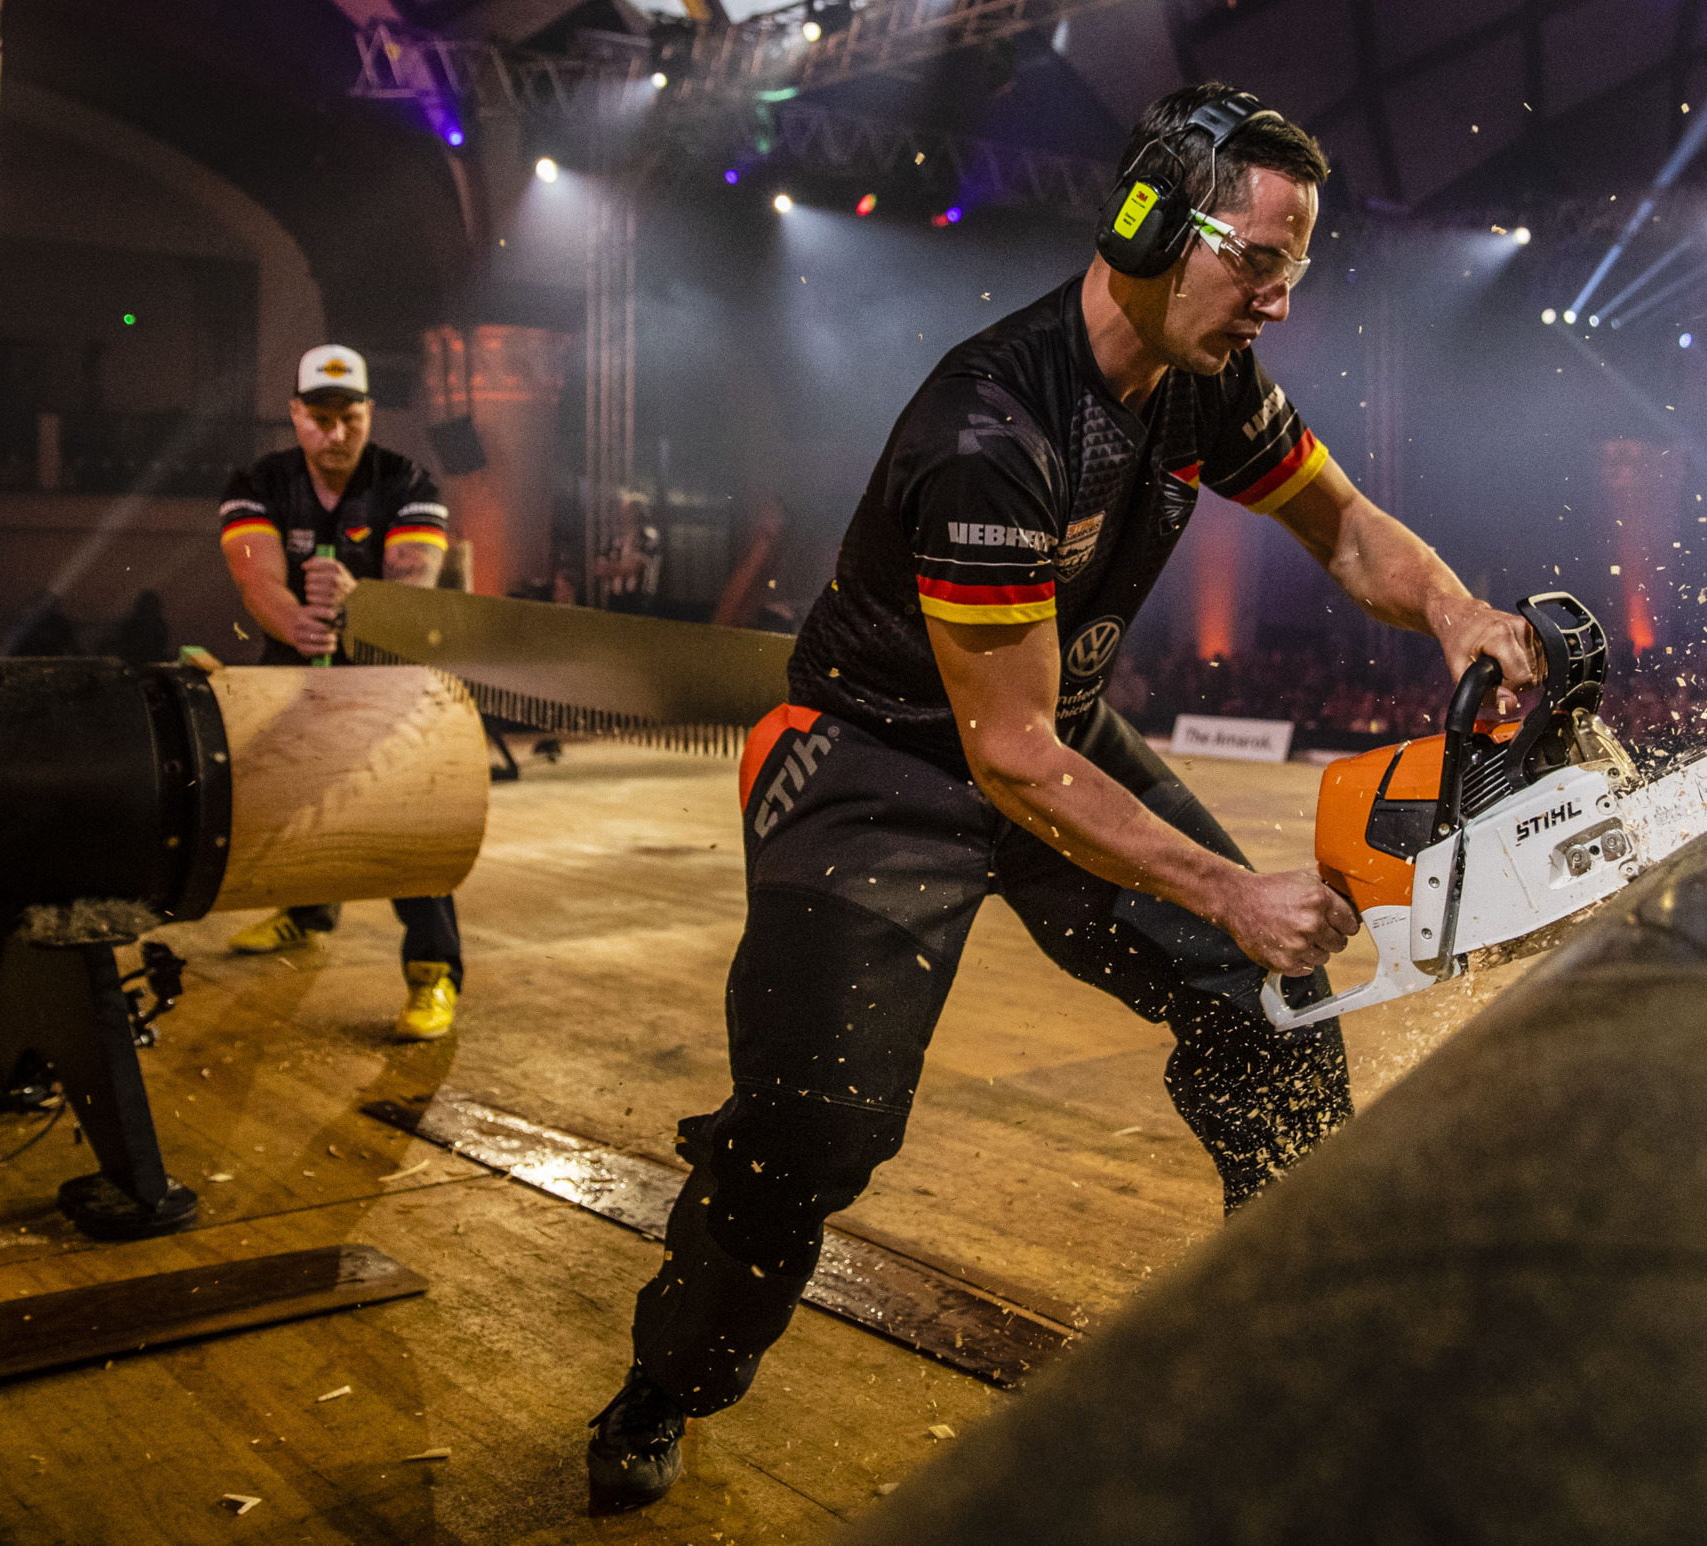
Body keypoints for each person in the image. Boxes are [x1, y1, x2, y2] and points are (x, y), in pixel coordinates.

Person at [585, 84, 1543, 1507]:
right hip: (878, 765)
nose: (1278, 302)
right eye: (1256, 261)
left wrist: (1456, 611)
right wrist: (1229, 887)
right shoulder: (992, 426)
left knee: (1268, 1012)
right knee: (818, 1125)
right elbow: (1009, 761)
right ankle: (668, 1378)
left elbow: (1339, 523)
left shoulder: (1204, 380)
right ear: (1151, 223)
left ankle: (1287, 1341)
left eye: (1295, 268)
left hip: (1048, 730)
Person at [217, 345, 466, 1039]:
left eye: (349, 417)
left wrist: (362, 604)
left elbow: (415, 584)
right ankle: (306, 912)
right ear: (295, 413)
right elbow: (257, 579)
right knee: (294, 802)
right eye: (319, 418)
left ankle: (433, 970)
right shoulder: (258, 482)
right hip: (291, 669)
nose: (335, 434)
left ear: (369, 413)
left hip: (383, 672)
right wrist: (294, 621)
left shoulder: (408, 481)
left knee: (401, 819)